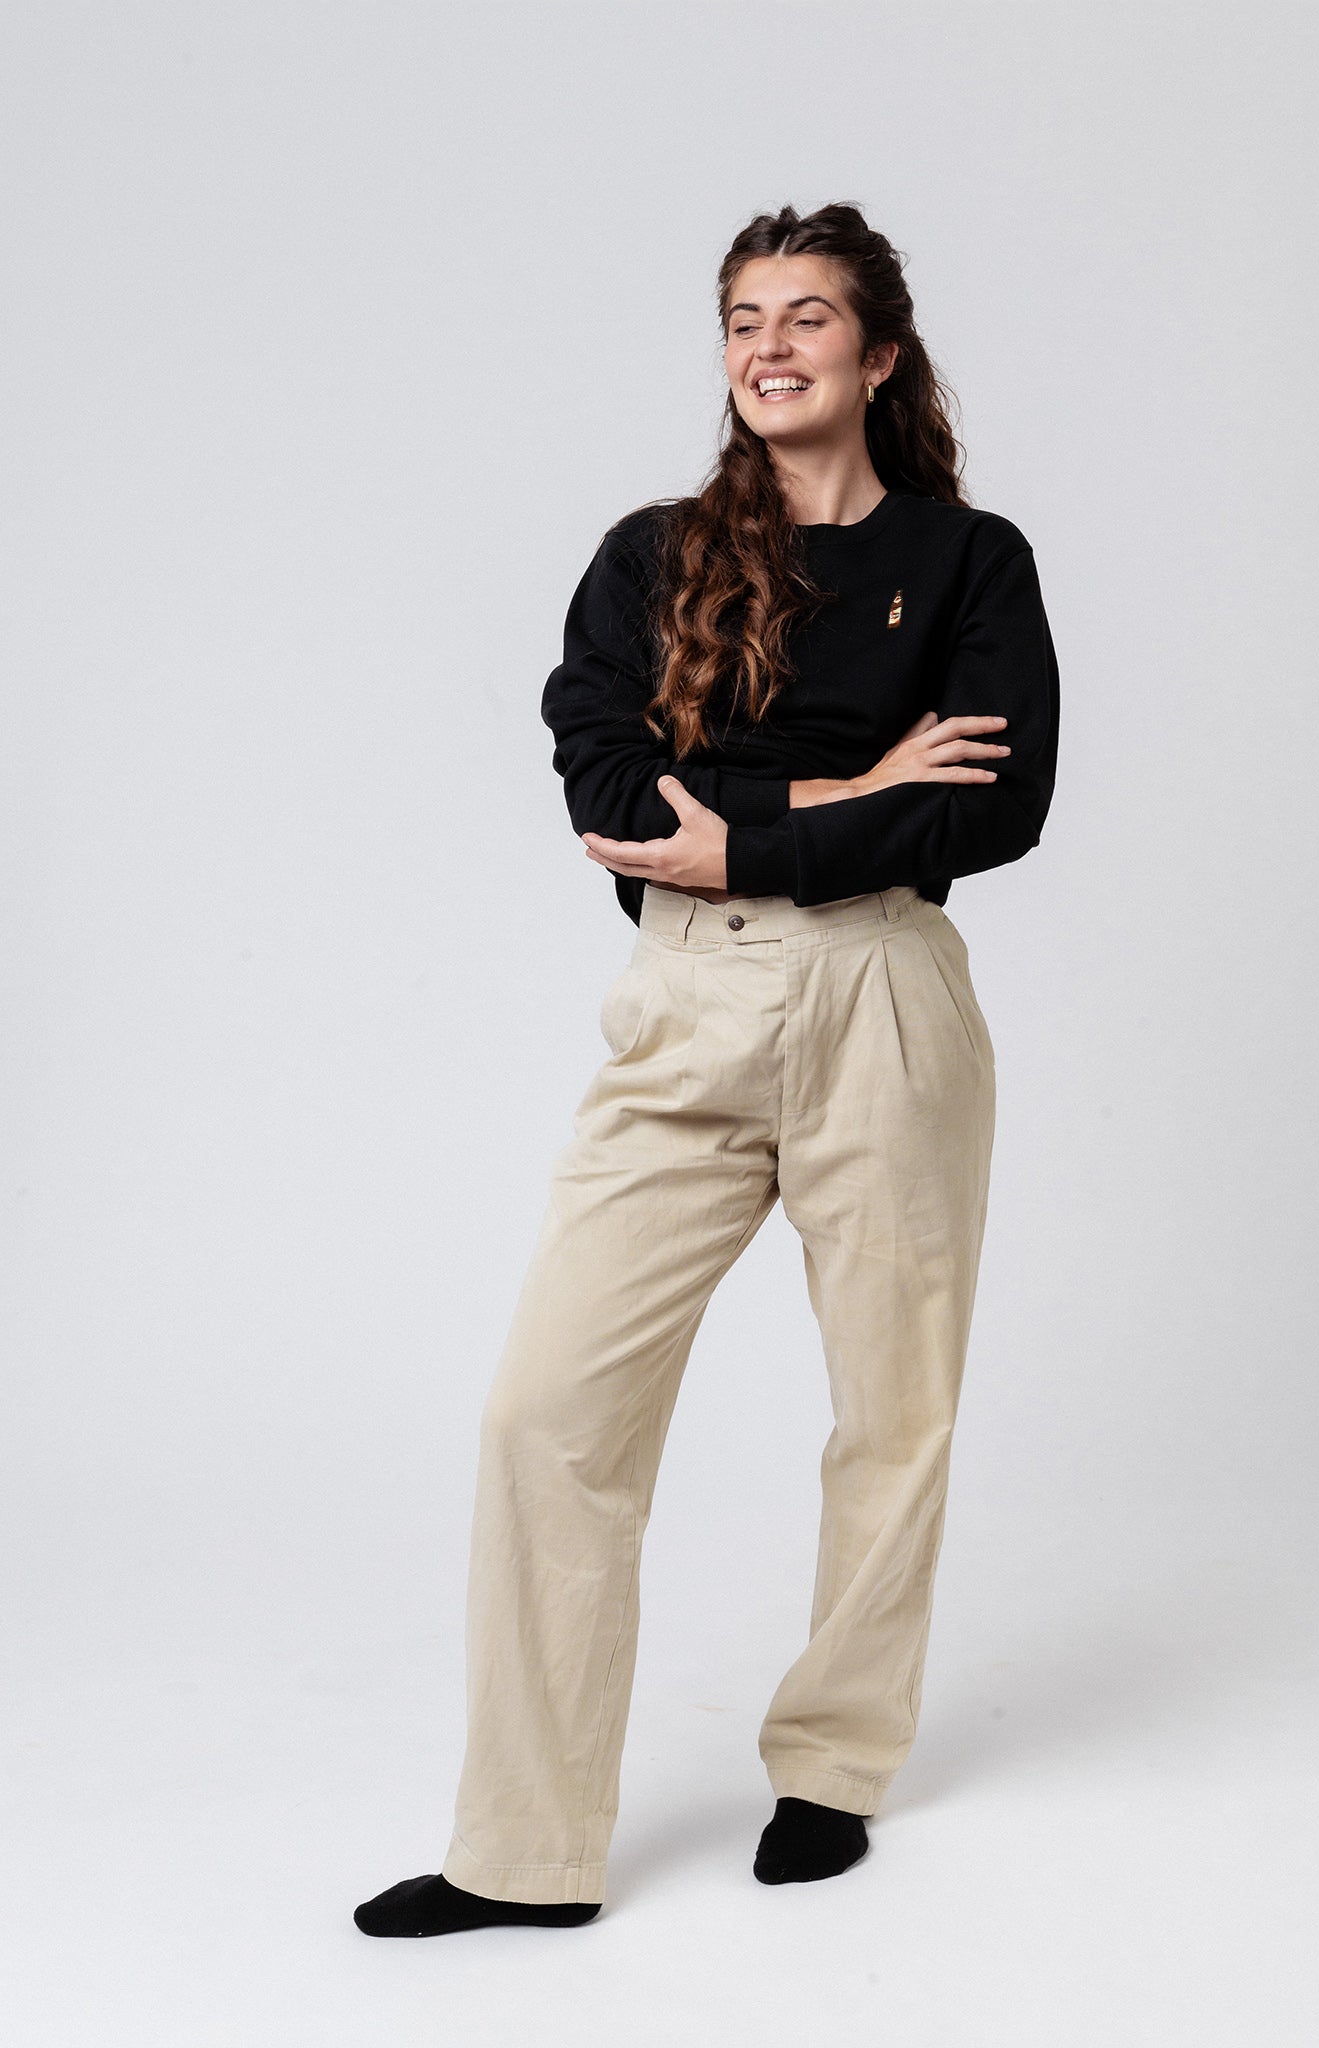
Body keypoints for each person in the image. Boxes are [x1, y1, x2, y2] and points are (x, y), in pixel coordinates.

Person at [354, 200, 1059, 1937]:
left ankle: (832, 1761)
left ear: (877, 356)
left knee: (891, 1407)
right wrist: (849, 789)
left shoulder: (968, 561)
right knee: (547, 1413)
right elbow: (609, 794)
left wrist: (743, 822)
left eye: (806, 316)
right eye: (744, 317)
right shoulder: (652, 556)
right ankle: (522, 1853)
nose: (769, 344)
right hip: (683, 1004)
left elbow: (996, 803)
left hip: (885, 993)